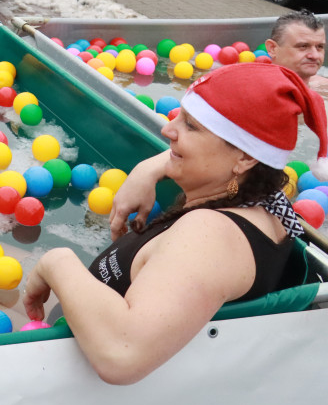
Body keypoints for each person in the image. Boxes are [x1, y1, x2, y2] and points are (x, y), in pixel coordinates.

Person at [23, 63, 328, 385]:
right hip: (70, 332)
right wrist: (149, 169)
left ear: (245, 158)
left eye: (191, 126)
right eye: (179, 115)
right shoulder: (262, 203)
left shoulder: (210, 234)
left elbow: (123, 353)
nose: (168, 130)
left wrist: (55, 262)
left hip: (66, 377)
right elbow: (221, 161)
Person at [265, 9, 327, 92]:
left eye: (320, 47)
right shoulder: (256, 88)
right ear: (272, 48)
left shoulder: (324, 86)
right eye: (303, 46)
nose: (315, 55)